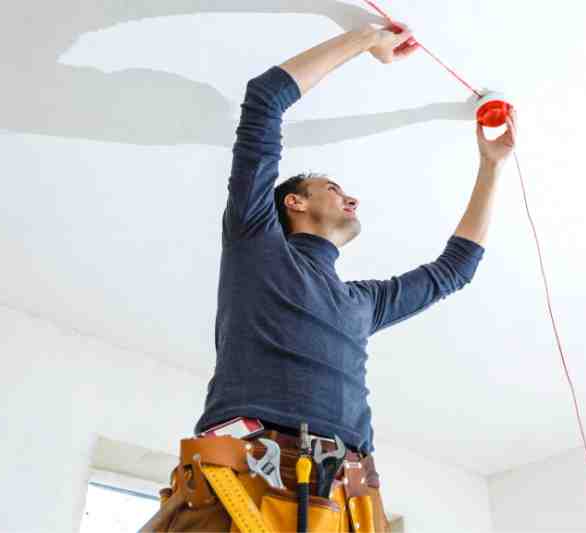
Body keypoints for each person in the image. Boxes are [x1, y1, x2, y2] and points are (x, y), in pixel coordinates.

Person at [189, 20, 516, 532]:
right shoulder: (257, 242)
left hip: (350, 493)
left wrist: (491, 165)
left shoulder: (362, 302)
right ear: (293, 202)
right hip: (246, 478)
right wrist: (366, 39)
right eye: (332, 187)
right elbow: (264, 99)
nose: (351, 197)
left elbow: (455, 269)